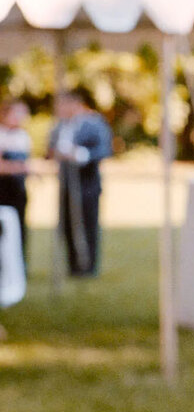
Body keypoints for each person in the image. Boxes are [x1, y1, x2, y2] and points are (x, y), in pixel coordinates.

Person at [47, 89, 113, 277]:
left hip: (87, 182)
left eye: (62, 105)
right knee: (67, 222)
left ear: (74, 104)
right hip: (66, 182)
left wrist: (80, 154)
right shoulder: (59, 126)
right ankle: (73, 265)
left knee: (88, 222)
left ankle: (88, 266)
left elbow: (103, 149)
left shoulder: (94, 122)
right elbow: (50, 148)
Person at [0, 100, 32, 261]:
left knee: (19, 228)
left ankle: (19, 264)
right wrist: (19, 168)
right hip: (3, 189)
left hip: (18, 189)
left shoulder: (23, 136)